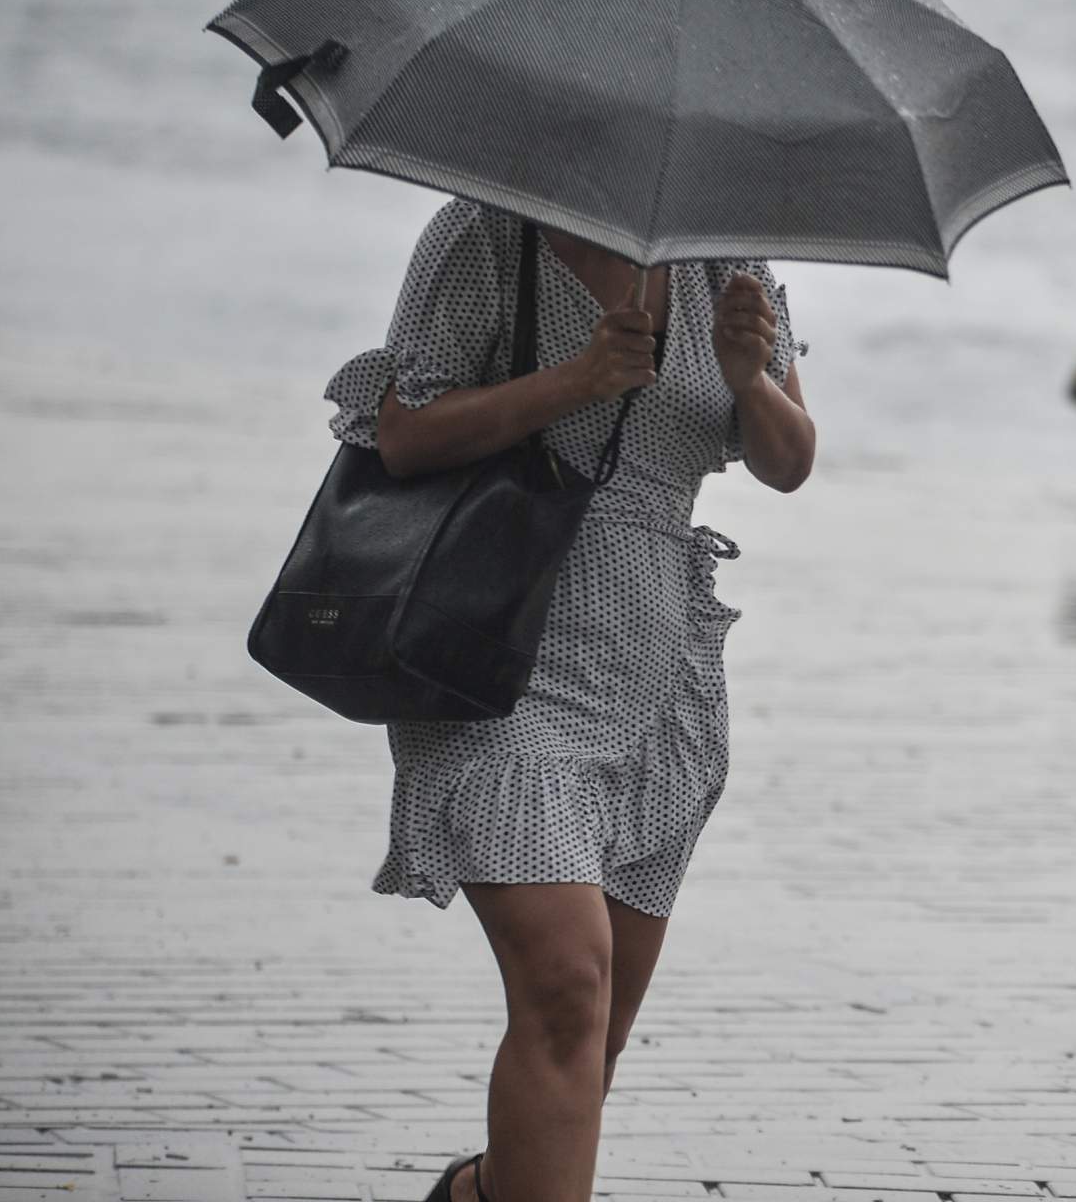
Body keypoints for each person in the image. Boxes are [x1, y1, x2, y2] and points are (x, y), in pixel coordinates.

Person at [321, 197, 815, 1202]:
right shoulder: (483, 234)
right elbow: (404, 436)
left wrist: (747, 378)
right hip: (495, 659)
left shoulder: (731, 260)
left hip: (658, 682)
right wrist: (577, 382)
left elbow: (790, 460)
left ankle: (474, 1194)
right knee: (566, 990)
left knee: (590, 1039)